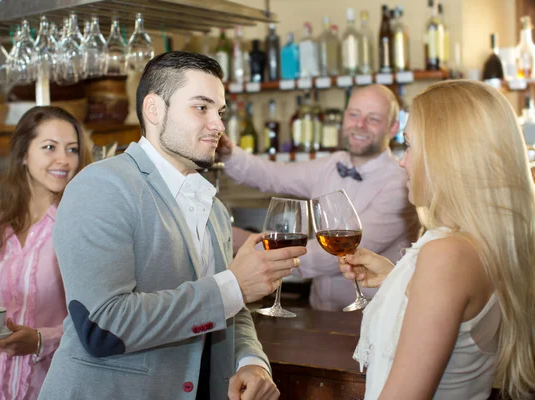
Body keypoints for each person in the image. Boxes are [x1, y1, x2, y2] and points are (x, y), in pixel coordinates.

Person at [38, 52, 306, 400]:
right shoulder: (101, 185)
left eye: (220, 112)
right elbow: (103, 327)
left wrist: (251, 360)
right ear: (154, 110)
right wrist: (234, 285)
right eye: (201, 108)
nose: (219, 125)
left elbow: (231, 307)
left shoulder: (214, 209)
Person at [339, 80, 535, 400]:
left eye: (410, 145)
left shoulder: (447, 255)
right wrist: (396, 279)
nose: (403, 161)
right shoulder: (483, 241)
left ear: (449, 156)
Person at [218, 84, 420, 311]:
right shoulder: (332, 164)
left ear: (393, 128)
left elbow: (337, 255)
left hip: (375, 314)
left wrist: (246, 243)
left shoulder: (400, 183)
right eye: (354, 114)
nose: (360, 124)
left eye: (373, 118)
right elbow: (272, 175)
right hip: (321, 311)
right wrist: (228, 153)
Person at [0, 106, 92, 400]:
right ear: (24, 154)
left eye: (72, 149)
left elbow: (99, 326)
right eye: (49, 147)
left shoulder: (84, 228)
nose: (64, 159)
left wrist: (40, 340)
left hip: (42, 391)